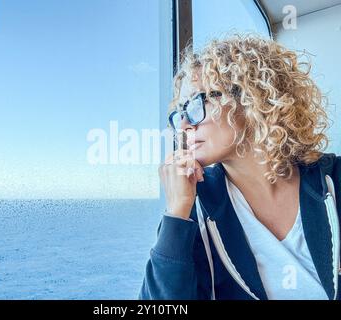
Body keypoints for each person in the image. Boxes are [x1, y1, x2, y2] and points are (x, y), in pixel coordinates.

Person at [138, 33, 341, 300]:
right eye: (181, 112)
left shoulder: (333, 180)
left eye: (198, 102)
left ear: (251, 97)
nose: (185, 125)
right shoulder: (197, 207)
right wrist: (176, 214)